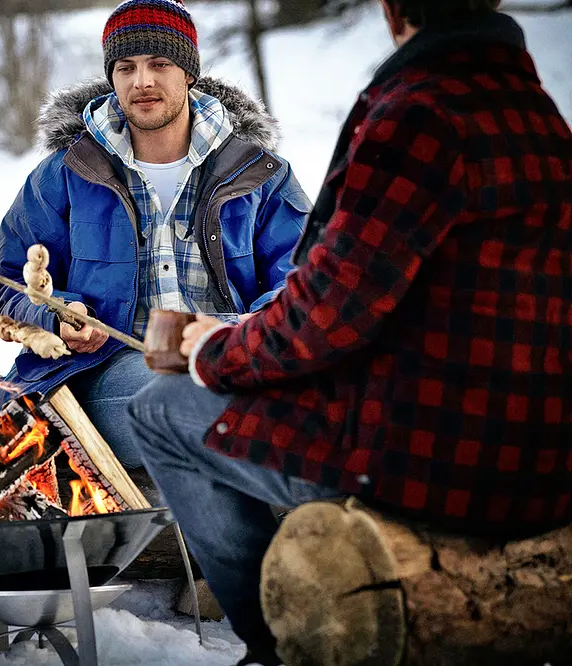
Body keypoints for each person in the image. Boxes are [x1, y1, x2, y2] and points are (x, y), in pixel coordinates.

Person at [127, 1, 572, 663]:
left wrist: (216, 351)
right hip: (537, 450)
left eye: (159, 63)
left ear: (394, 11)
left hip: (429, 459)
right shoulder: (538, 115)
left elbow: (323, 315)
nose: (143, 81)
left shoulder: (419, 114)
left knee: (160, 409)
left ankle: (275, 642)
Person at [0, 0, 310, 467]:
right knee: (183, 402)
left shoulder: (261, 173)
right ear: (112, 77)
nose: (142, 81)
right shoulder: (66, 172)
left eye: (159, 64)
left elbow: (304, 282)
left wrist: (243, 334)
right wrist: (59, 314)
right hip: (102, 372)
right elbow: (12, 277)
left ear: (188, 73)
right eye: (126, 67)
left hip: (235, 364)